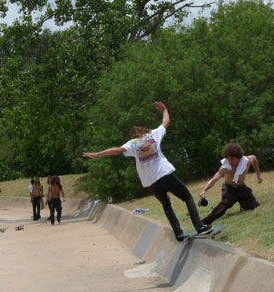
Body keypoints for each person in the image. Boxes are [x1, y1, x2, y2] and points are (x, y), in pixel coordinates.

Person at [82, 101, 213, 241]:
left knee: (166, 205)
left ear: (134, 136)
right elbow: (166, 122)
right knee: (187, 197)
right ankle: (199, 227)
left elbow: (117, 150)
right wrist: (164, 110)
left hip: (151, 182)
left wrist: (97, 154)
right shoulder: (153, 134)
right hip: (165, 174)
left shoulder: (132, 143)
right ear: (144, 131)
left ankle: (179, 234)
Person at [199, 143, 263, 225]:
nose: (230, 161)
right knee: (224, 204)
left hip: (242, 187)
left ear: (238, 157)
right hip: (229, 188)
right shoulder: (225, 167)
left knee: (253, 206)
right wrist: (204, 190)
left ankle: (243, 205)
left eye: (232, 158)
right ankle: (204, 223)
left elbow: (254, 159)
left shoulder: (247, 161)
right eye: (228, 158)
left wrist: (258, 174)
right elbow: (213, 180)